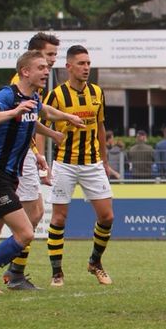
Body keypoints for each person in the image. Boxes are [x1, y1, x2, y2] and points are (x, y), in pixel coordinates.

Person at [0, 51, 83, 293]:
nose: (46, 71)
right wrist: (12, 112)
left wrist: (62, 123)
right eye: (41, 67)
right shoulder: (7, 95)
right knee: (26, 232)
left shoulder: (34, 98)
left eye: (46, 68)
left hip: (7, 175)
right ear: (25, 72)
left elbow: (42, 113)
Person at [43, 45, 117, 286]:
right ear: (69, 67)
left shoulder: (97, 92)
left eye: (88, 63)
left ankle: (95, 262)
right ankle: (57, 272)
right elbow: (40, 125)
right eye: (81, 63)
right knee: (59, 218)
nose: (86, 68)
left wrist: (105, 161)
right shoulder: (56, 94)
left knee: (107, 216)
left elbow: (101, 127)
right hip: (65, 163)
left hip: (93, 163)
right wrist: (43, 160)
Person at [1, 32, 60, 290]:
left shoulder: (35, 82)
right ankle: (11, 271)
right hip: (17, 155)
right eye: (49, 56)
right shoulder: (22, 82)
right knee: (30, 214)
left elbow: (30, 120)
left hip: (25, 152)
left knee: (32, 214)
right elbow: (23, 120)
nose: (52, 62)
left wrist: (37, 152)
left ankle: (14, 270)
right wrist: (35, 152)